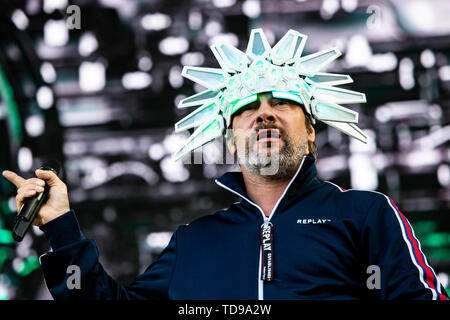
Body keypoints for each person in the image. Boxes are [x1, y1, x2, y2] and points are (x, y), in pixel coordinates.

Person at [2, 29, 449, 300]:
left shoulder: (367, 216)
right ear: (232, 141)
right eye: (247, 108)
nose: (265, 113)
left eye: (283, 102)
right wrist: (61, 226)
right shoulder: (194, 244)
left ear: (311, 130)